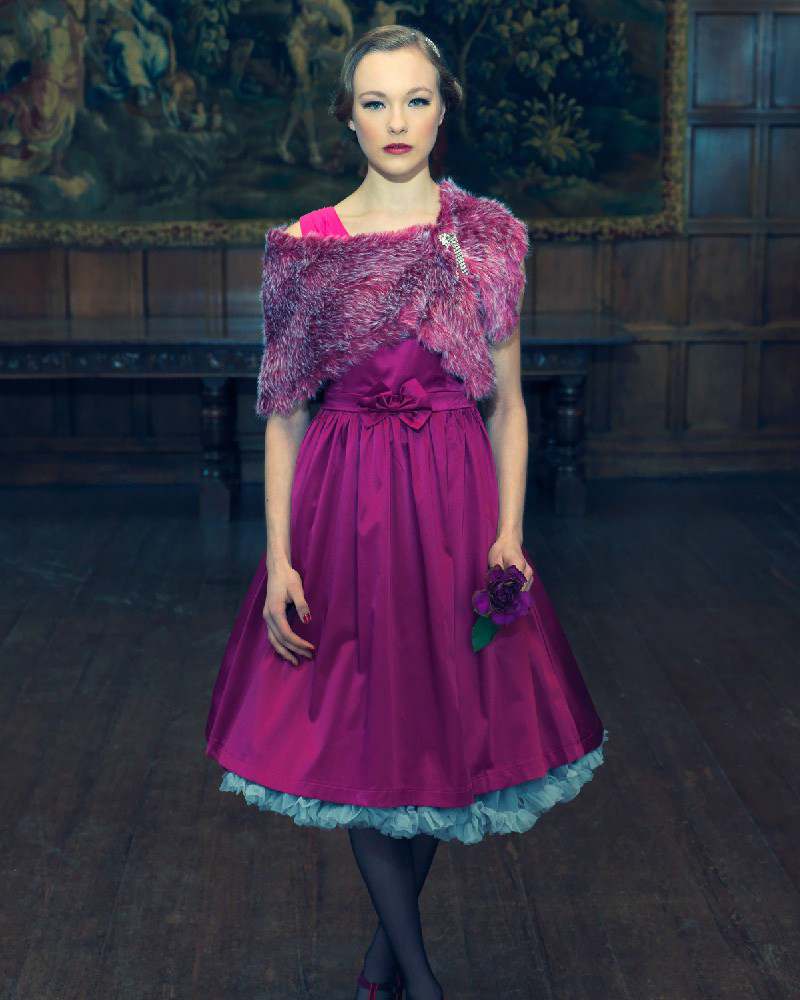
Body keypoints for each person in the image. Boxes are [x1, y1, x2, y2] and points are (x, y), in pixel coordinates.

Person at [205, 24, 609, 1000]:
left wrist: (508, 534)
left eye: (415, 100)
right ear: (346, 117)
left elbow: (508, 407)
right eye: (376, 102)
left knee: (443, 726)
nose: (397, 120)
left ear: (441, 110)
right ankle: (416, 981)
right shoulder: (308, 246)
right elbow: (283, 416)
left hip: (456, 503)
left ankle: (385, 971)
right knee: (364, 732)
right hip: (344, 506)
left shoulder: (486, 239)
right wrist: (280, 558)